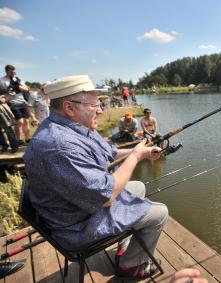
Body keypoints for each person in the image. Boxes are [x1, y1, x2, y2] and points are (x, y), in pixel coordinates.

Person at [24, 75, 168, 279]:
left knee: (137, 187)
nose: (100, 109)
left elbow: (110, 153)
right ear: (69, 107)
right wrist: (135, 156)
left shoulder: (69, 127)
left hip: (77, 208)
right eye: (93, 105)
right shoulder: (59, 145)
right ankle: (130, 265)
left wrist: (141, 152)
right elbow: (106, 196)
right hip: (76, 225)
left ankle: (124, 244)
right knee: (160, 213)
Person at [0, 65, 31, 144]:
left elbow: (27, 89)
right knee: (19, 122)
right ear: (7, 71)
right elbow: (2, 93)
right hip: (12, 102)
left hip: (22, 102)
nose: (13, 73)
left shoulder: (17, 79)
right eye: (11, 72)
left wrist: (18, 86)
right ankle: (19, 140)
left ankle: (28, 139)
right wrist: (8, 89)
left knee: (26, 121)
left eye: (14, 71)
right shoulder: (2, 80)